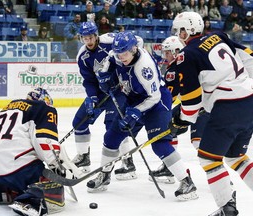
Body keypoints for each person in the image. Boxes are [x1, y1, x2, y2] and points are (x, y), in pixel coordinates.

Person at [87, 31, 199, 202]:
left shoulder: (144, 68)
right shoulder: (117, 53)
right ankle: (104, 175)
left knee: (159, 144)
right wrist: (104, 75)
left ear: (133, 50)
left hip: (157, 102)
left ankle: (187, 182)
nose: (121, 57)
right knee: (111, 137)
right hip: (135, 98)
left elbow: (153, 97)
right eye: (118, 53)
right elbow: (109, 61)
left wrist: (135, 112)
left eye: (124, 53)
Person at [171, 11, 253, 215]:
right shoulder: (218, 35)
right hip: (250, 100)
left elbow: (191, 99)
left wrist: (182, 120)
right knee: (236, 157)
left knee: (209, 159)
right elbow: (248, 55)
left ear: (186, 30)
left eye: (179, 30)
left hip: (228, 107)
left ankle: (227, 209)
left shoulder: (186, 54)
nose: (178, 34)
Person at [0, 88, 80, 216]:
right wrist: (60, 168)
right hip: (21, 170)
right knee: (52, 188)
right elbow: (46, 143)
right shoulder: (43, 108)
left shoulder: (8, 108)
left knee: (14, 179)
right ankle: (30, 200)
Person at [72, 22, 143, 181]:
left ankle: (128, 162)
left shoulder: (109, 41)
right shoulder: (82, 56)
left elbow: (137, 42)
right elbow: (89, 80)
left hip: (118, 91)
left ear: (96, 34)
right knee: (79, 122)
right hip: (99, 92)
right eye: (85, 38)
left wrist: (125, 72)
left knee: (114, 125)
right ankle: (84, 157)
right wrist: (91, 97)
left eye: (90, 37)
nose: (88, 41)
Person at [149, 36, 210, 184]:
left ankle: (218, 171)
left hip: (198, 107)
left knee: (198, 142)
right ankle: (169, 167)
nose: (165, 56)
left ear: (176, 51)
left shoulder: (174, 69)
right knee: (170, 129)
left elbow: (170, 98)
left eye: (168, 53)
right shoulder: (190, 60)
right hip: (204, 103)